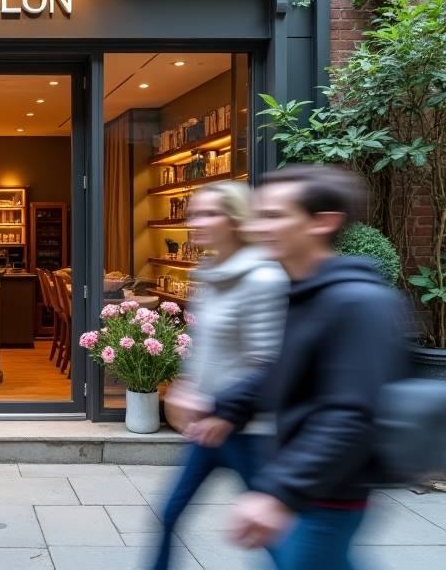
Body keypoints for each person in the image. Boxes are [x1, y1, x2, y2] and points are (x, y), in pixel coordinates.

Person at [185, 165, 409, 570]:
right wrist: (226, 406)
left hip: (329, 495)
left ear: (323, 223)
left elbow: (350, 413)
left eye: (275, 216)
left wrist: (279, 493)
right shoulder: (304, 293)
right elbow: (280, 370)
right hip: (310, 491)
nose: (258, 225)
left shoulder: (357, 303)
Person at [151, 181, 288, 570]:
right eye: (194, 213)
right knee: (169, 512)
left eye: (209, 213)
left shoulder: (263, 279)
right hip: (210, 424)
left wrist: (225, 413)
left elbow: (269, 363)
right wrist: (187, 383)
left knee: (272, 533)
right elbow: (209, 346)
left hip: (248, 429)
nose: (196, 222)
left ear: (235, 219)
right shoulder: (212, 273)